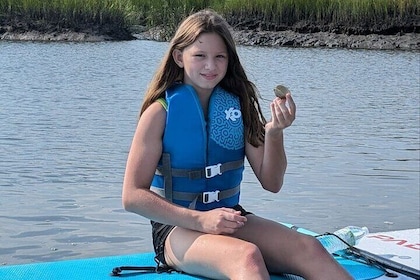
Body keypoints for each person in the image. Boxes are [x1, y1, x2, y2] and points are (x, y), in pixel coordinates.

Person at [122, 9, 352, 280]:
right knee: (247, 257)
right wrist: (201, 220)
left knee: (311, 248)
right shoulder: (159, 114)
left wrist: (275, 133)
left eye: (220, 57)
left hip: (231, 219)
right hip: (176, 230)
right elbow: (132, 197)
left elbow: (272, 182)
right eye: (200, 56)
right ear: (178, 57)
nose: (210, 66)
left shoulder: (238, 109)